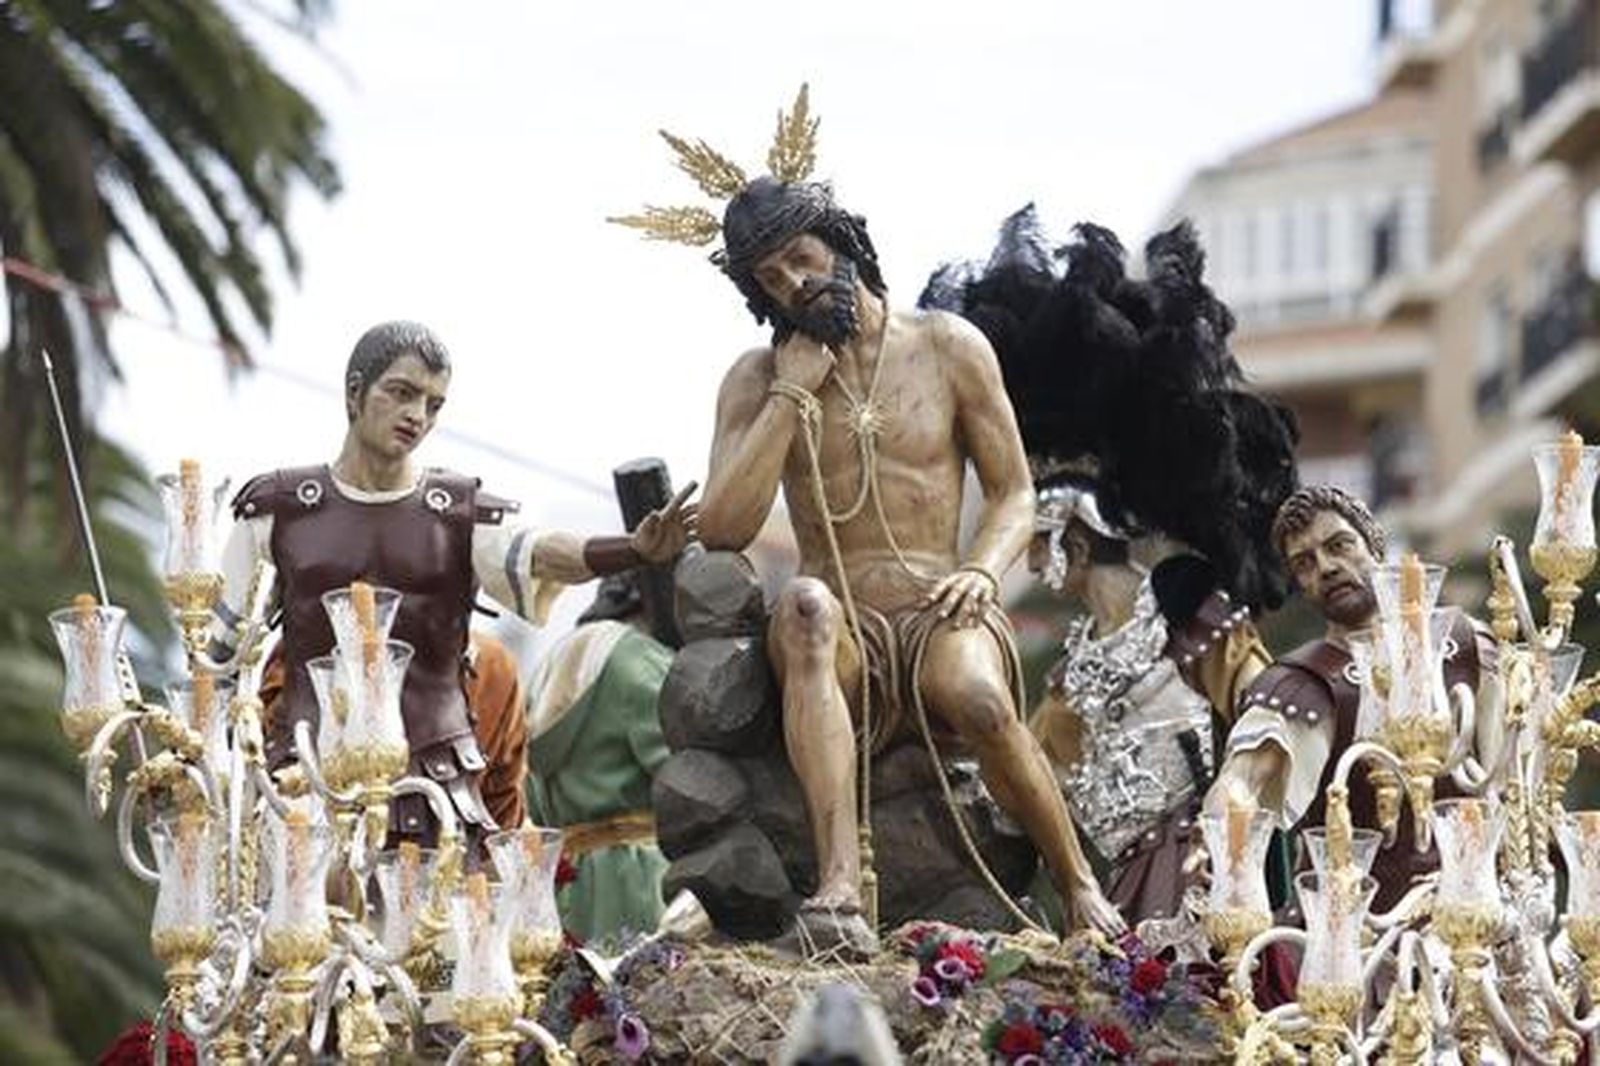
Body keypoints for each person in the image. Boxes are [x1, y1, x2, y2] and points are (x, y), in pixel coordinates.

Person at [616, 97, 1124, 948]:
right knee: (805, 608)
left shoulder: (948, 346)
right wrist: (791, 390)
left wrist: (982, 570)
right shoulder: (755, 379)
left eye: (801, 261)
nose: (793, 286)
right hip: (840, 625)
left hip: (939, 605)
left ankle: (1077, 887)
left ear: (844, 246)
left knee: (975, 695)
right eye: (770, 281)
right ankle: (840, 883)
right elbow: (729, 528)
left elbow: (1011, 492)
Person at [923, 211, 1291, 928]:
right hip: (1119, 897)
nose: (1029, 558)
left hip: (1206, 875)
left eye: (1037, 539)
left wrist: (1232, 817)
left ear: (1078, 541)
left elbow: (1271, 716)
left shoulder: (1192, 617)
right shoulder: (1073, 673)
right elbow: (1024, 778)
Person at [211, 320, 696, 845]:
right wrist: (202, 764)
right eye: (401, 393)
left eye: (433, 403)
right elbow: (217, 659)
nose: (417, 415)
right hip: (305, 785)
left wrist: (632, 550)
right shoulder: (280, 510)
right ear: (354, 393)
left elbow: (540, 552)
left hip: (434, 795)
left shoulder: (458, 515)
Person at [1207, 485, 1494, 910]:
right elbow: (1241, 781)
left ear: (1374, 544)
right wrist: (1223, 848)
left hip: (1481, 912)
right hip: (1358, 940)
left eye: (1339, 545)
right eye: (1304, 564)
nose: (1325, 567)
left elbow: (1520, 769)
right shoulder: (1299, 685)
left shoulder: (1462, 642)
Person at [524, 572, 673, 942]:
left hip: (569, 884)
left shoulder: (547, 666)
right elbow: (683, 773)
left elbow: (530, 790)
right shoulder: (639, 657)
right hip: (644, 878)